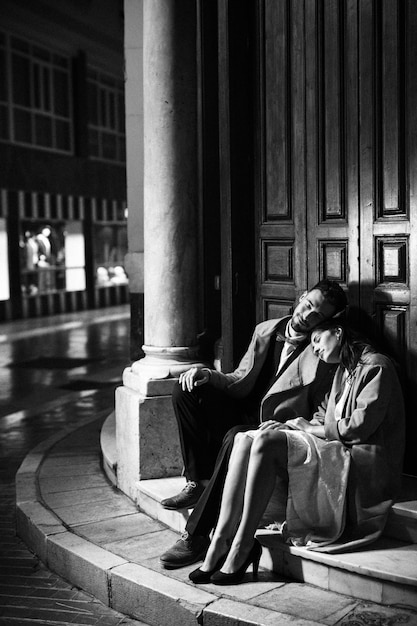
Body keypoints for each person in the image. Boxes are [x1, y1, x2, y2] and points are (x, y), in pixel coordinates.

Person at [186, 315, 405, 585]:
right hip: (335, 447)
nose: (314, 349)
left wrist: (306, 428)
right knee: (245, 438)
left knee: (266, 442)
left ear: (337, 332)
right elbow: (323, 417)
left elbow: (358, 427)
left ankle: (243, 543)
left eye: (316, 340)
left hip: (358, 459)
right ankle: (221, 538)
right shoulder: (343, 370)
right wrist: (291, 426)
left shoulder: (376, 366)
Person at [160, 279, 348, 568]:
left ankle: (196, 536)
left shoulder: (320, 352)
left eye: (318, 315)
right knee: (186, 391)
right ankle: (197, 481)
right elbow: (238, 378)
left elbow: (322, 410)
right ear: (300, 298)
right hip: (243, 410)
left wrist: (293, 427)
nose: (307, 316)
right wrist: (208, 374)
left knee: (236, 436)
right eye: (308, 306)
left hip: (269, 427)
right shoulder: (266, 330)